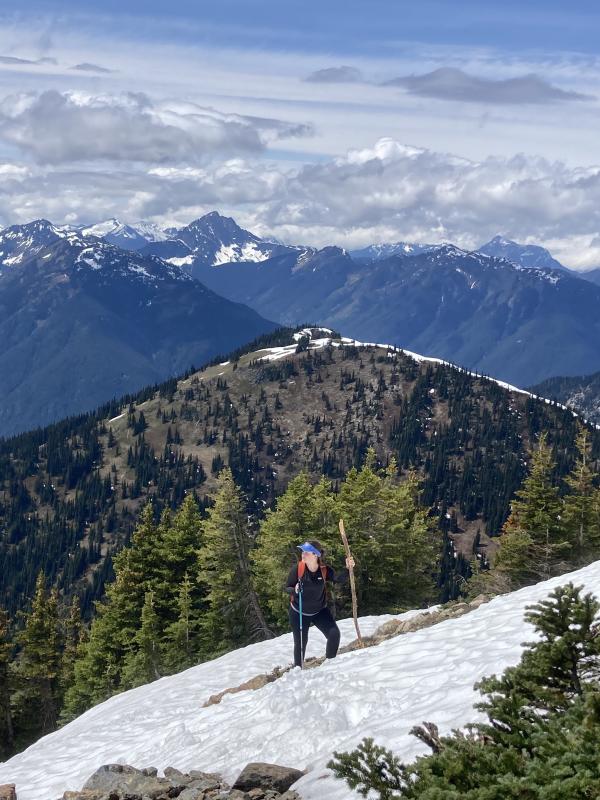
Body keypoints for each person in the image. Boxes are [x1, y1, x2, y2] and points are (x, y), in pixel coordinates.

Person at [284, 540, 355, 668]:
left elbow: (338, 579)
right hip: (298, 612)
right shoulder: (298, 569)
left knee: (334, 634)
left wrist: (348, 568)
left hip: (319, 611)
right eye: (302, 551)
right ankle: (298, 672)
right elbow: (287, 587)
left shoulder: (324, 570)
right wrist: (294, 590)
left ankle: (329, 665)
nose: (303, 554)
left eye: (306, 552)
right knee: (300, 644)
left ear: (315, 555)